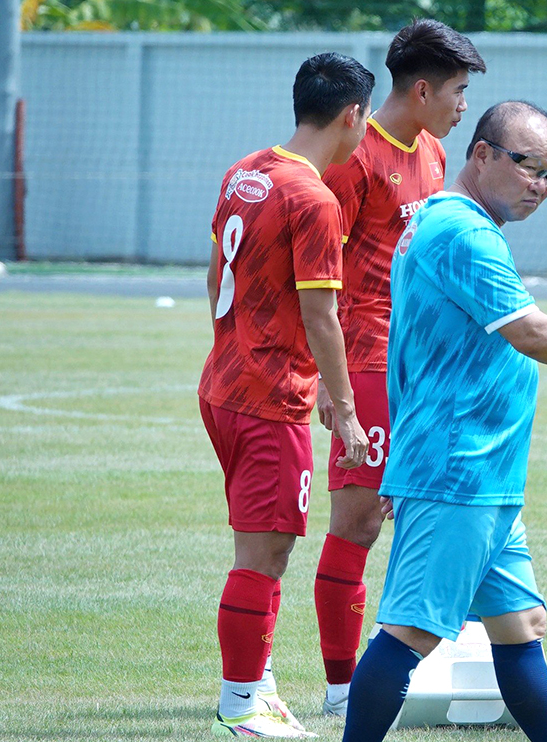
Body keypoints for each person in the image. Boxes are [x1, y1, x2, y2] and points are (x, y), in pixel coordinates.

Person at [340, 100, 547, 742]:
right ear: (483, 154)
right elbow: (529, 331)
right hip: (459, 468)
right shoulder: (462, 232)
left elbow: (422, 348)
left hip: (480, 471)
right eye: (529, 167)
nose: (541, 185)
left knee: (520, 626)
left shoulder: (448, 221)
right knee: (410, 633)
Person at [313, 19, 485, 718]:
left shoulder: (435, 153)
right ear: (421, 89)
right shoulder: (355, 158)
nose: (464, 105)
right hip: (367, 362)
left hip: (425, 368)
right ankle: (340, 689)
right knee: (358, 522)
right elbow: (318, 275)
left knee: (423, 514)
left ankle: (411, 668)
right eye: (458, 91)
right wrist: (331, 384)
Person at [199, 52, 374, 738]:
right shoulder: (314, 198)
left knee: (259, 545)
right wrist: (347, 411)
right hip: (269, 399)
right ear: (353, 115)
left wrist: (233, 347)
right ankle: (241, 704)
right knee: (266, 554)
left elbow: (215, 271)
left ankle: (259, 684)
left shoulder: (245, 171)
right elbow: (322, 315)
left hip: (224, 384)